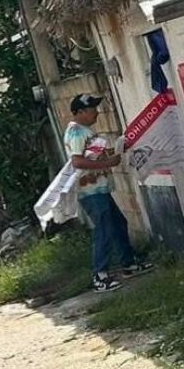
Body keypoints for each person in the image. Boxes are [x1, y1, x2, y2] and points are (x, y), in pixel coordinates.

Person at [65, 93, 152, 292]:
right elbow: (77, 161)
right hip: (91, 190)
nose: (96, 112)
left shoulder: (85, 131)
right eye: (92, 109)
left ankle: (128, 262)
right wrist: (108, 163)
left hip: (100, 188)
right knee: (103, 229)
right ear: (80, 112)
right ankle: (100, 275)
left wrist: (115, 151)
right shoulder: (76, 132)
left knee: (118, 223)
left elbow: (92, 156)